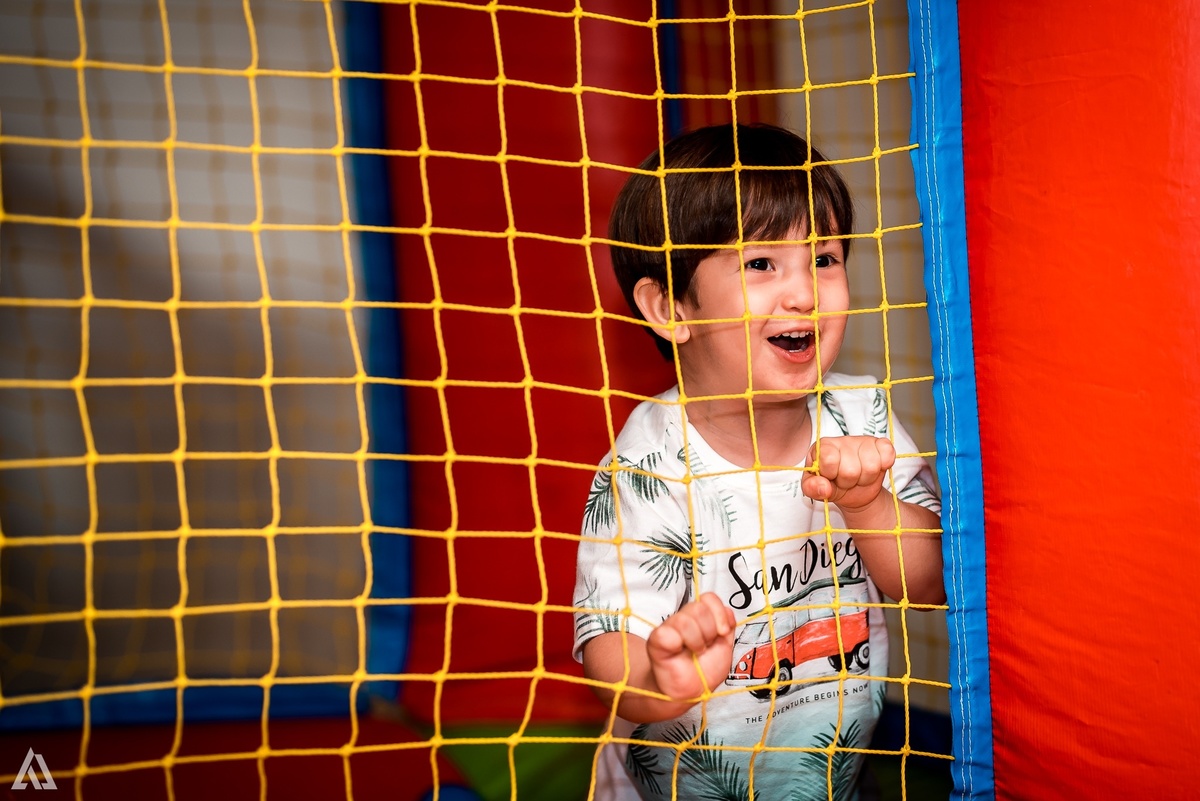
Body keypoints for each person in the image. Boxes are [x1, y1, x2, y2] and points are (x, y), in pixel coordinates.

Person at [572, 123, 945, 801]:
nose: (802, 293)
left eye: (825, 259)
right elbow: (608, 646)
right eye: (760, 264)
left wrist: (867, 501)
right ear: (670, 306)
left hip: (825, 780)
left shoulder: (861, 415)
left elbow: (930, 579)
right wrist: (663, 678)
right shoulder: (650, 461)